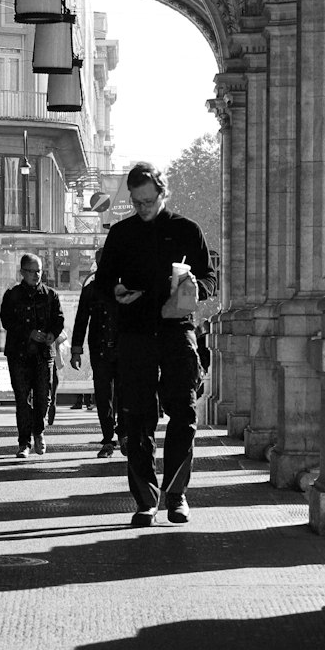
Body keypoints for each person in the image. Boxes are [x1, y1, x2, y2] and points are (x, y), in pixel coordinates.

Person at [95, 161, 216, 526]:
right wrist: (115, 291)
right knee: (136, 417)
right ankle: (145, 501)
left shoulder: (186, 230)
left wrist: (199, 288)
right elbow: (102, 283)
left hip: (177, 329)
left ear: (163, 193)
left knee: (184, 412)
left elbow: (210, 276)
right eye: (137, 202)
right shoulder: (121, 234)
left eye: (149, 201)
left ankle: (177, 495)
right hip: (134, 333)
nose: (143, 209)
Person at [0, 253, 64, 459]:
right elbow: (7, 321)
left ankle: (39, 432)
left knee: (44, 397)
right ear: (22, 272)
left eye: (39, 271)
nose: (36, 275)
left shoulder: (50, 294)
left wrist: (52, 333)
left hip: (44, 354)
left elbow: (59, 318)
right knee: (22, 399)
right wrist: (29, 333)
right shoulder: (12, 295)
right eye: (32, 271)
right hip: (19, 354)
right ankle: (24, 442)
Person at [70, 250, 126, 458]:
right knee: (103, 396)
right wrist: (76, 350)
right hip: (100, 350)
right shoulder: (91, 290)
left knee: (124, 393)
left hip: (122, 349)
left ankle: (123, 434)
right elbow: (81, 321)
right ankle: (108, 438)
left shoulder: (125, 290)